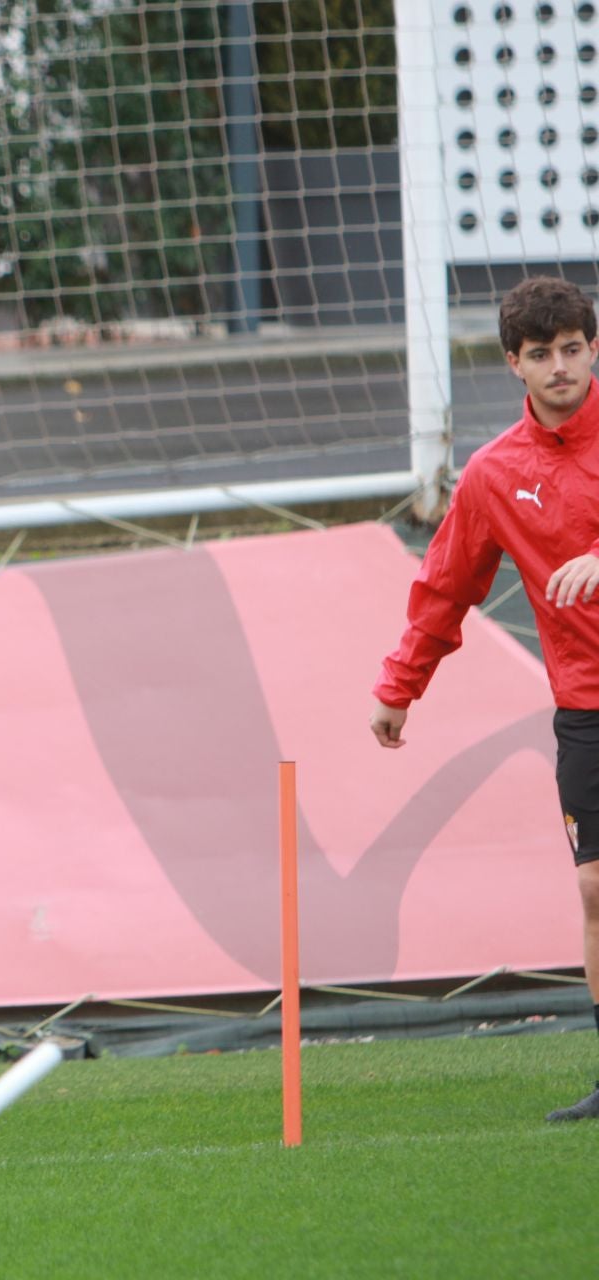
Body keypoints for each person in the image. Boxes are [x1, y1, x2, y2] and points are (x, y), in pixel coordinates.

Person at [371, 275, 599, 1122]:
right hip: (586, 708)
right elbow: (444, 587)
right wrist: (401, 686)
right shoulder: (494, 475)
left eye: (573, 348)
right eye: (541, 354)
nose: (560, 367)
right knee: (595, 891)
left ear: (593, 347)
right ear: (514, 365)